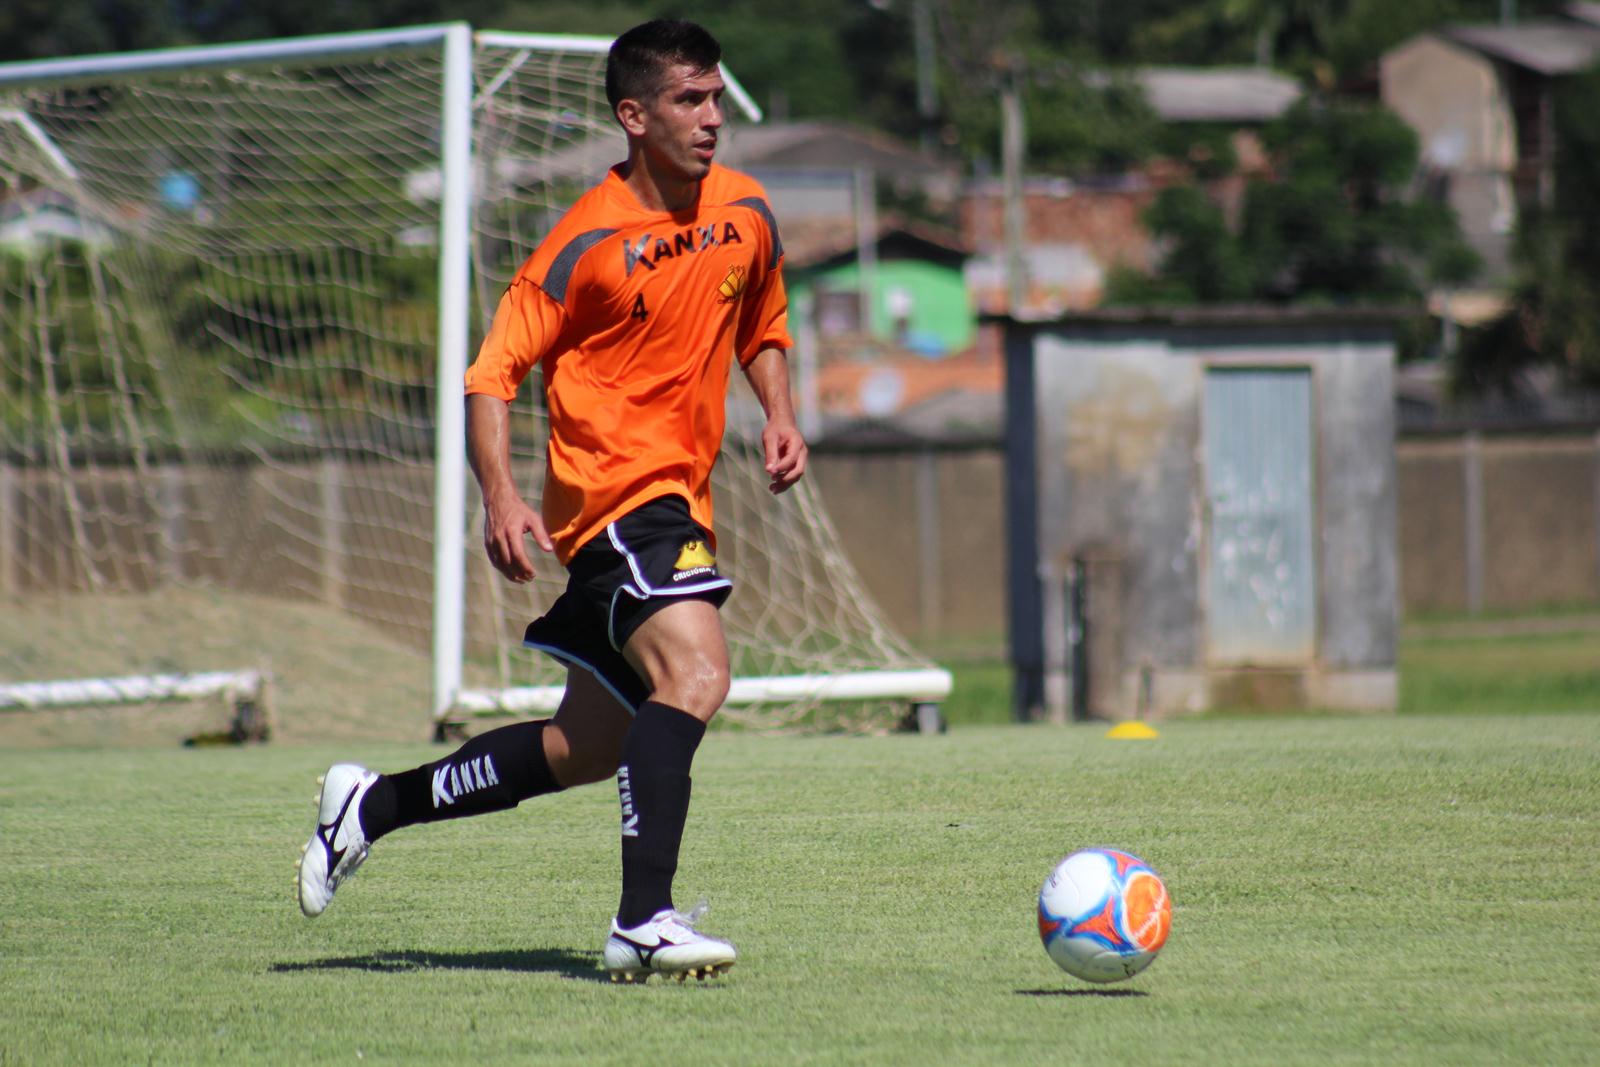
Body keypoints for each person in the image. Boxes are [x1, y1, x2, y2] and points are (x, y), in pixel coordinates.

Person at [296, 18, 806, 984]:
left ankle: (370, 805)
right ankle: (643, 919)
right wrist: (498, 494)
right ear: (633, 115)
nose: (711, 119)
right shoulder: (585, 242)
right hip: (614, 499)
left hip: (680, 501)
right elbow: (492, 375)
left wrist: (779, 411)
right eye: (688, 101)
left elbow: (763, 319)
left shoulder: (748, 209)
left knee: (583, 748)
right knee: (696, 674)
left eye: (715, 96)